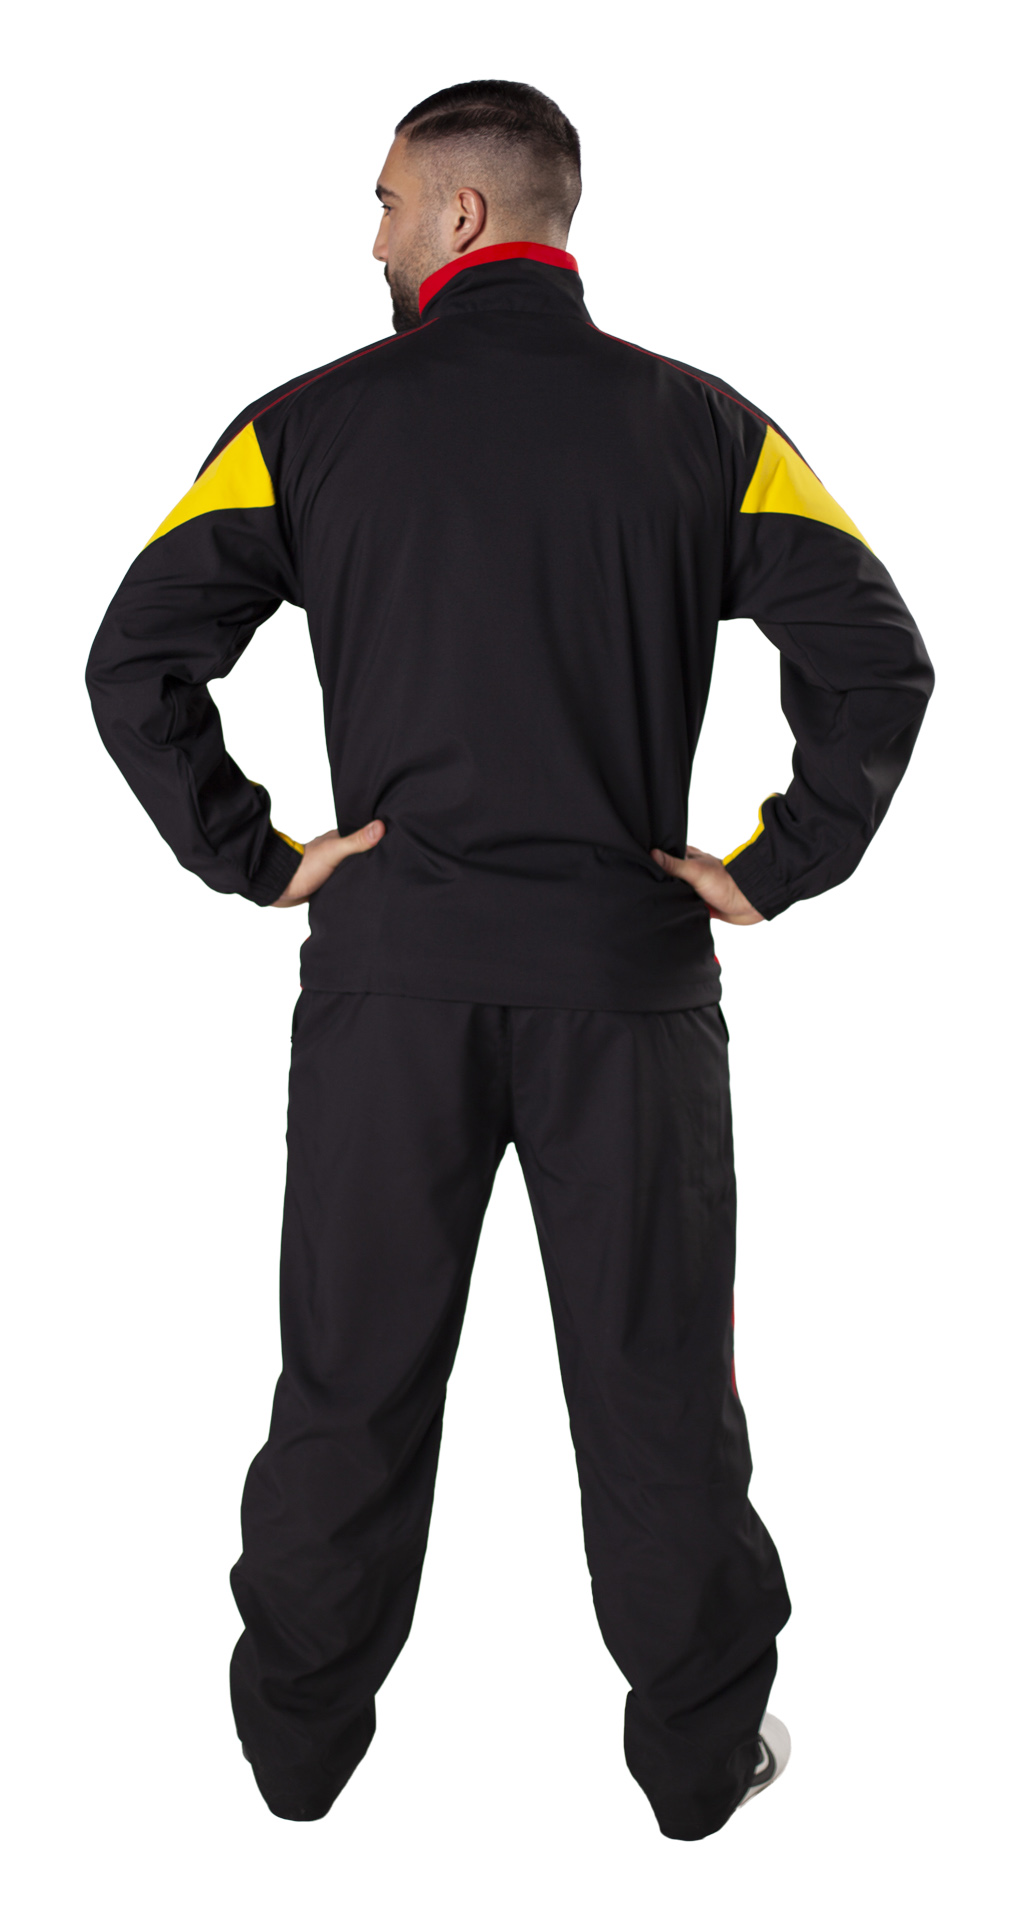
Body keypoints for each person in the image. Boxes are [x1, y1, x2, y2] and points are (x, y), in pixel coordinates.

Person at [85, 79, 933, 1841]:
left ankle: (296, 1756)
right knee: (657, 1388)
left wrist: (260, 857)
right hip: (628, 989)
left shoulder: (307, 426)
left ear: (464, 215)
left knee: (351, 1380)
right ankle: (697, 1767)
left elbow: (134, 661)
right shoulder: (707, 429)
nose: (373, 236)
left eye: (388, 201)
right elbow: (879, 662)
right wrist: (778, 863)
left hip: (390, 989)